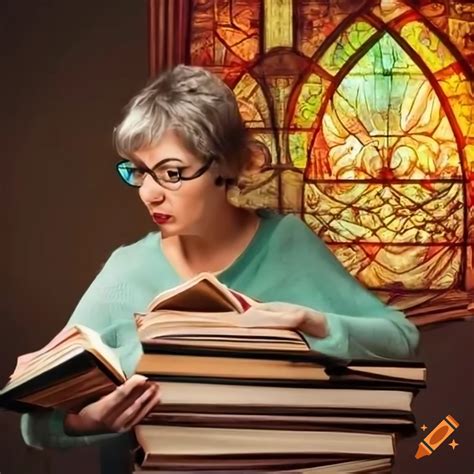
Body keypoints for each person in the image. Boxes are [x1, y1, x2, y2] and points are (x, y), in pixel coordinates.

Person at [20, 65, 419, 472]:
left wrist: (314, 323)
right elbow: (35, 419)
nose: (148, 192)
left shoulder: (286, 243)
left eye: (172, 173)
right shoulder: (126, 271)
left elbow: (401, 338)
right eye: (139, 170)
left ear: (225, 166)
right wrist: (89, 420)